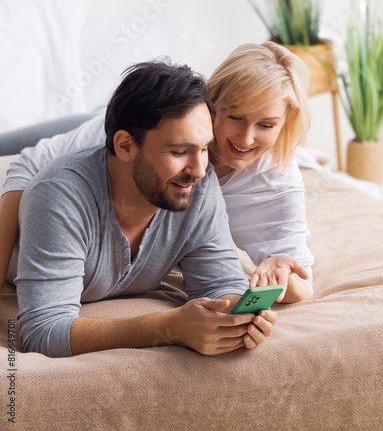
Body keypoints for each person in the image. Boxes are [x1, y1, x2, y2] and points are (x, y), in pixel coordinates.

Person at [0, 41, 313, 303]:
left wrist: (277, 275)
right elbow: (29, 166)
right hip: (91, 128)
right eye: (235, 117)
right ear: (212, 105)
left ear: (285, 124)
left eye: (267, 125)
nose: (246, 139)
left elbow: (301, 282)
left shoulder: (276, 182)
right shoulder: (146, 126)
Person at [3, 61, 277, 358]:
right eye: (179, 151)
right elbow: (43, 332)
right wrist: (167, 327)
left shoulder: (198, 183)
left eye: (204, 149)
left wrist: (236, 316)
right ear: (125, 146)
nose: (199, 170)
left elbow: (221, 283)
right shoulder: (59, 197)